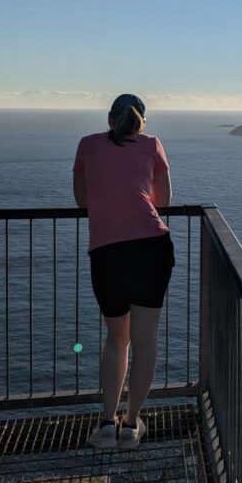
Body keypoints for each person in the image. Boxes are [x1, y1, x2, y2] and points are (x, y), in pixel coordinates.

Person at [72, 93, 173, 450]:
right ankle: (130, 427)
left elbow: (83, 201)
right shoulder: (152, 145)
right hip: (150, 249)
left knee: (117, 340)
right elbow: (163, 201)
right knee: (145, 342)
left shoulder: (87, 145)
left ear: (109, 118)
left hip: (108, 252)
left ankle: (105, 425)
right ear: (141, 121)